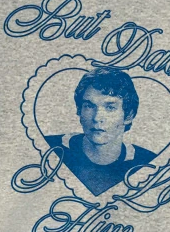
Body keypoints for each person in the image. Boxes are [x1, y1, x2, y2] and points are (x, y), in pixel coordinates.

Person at [46, 67, 156, 196]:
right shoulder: (49, 147)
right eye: (89, 106)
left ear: (128, 116)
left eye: (110, 107)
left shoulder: (147, 162)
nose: (97, 118)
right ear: (79, 110)